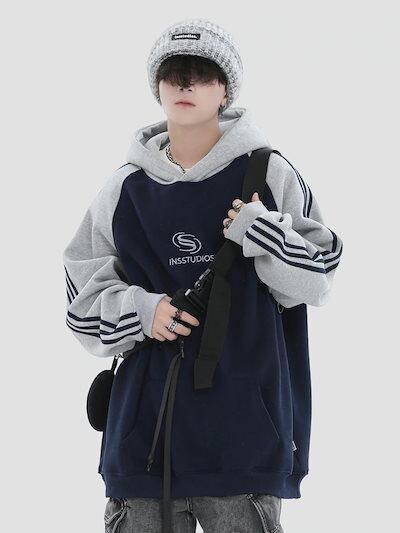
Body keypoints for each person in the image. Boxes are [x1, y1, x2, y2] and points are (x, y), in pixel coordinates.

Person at [62, 17, 343, 533]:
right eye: (173, 72)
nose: (185, 84)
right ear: (157, 85)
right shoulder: (123, 190)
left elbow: (320, 277)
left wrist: (264, 233)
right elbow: (81, 307)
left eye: (202, 72)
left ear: (225, 89)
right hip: (143, 445)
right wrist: (142, 312)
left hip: (244, 442)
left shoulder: (268, 173)